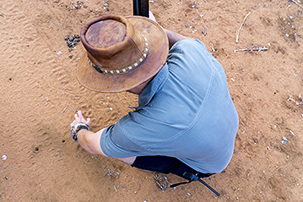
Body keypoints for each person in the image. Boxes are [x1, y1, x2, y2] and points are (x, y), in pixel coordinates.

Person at [70, 11, 239, 190]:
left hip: (208, 165)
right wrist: (150, 32)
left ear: (113, 82)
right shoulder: (191, 50)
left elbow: (91, 144)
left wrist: (78, 130)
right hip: (227, 126)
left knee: (120, 149)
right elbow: (177, 40)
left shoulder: (132, 130)